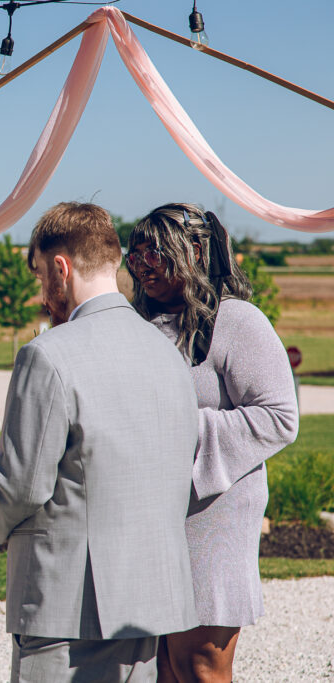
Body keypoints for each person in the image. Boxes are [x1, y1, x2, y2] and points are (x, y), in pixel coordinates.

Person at [0, 202, 201, 682]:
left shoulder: (47, 354)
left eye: (39, 277)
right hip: (151, 592)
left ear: (61, 267)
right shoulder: (168, 352)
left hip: (70, 599)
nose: (42, 293)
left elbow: (23, 488)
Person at [126, 203, 298, 682]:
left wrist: (173, 430)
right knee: (160, 666)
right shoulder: (139, 325)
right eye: (135, 251)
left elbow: (279, 416)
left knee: (199, 665)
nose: (141, 261)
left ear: (196, 250)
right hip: (153, 514)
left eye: (154, 250)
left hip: (213, 516)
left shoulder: (237, 321)